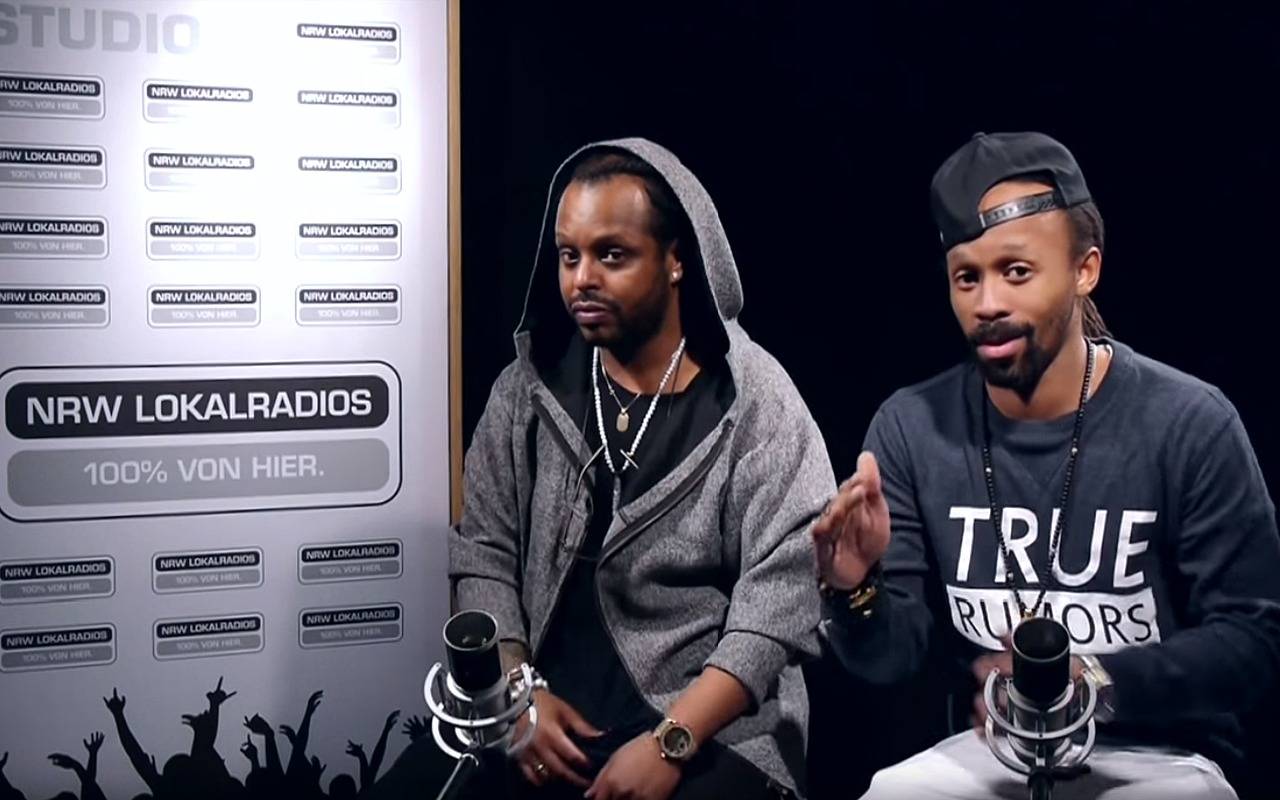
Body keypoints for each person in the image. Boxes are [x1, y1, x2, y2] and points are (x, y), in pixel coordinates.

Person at [813, 131, 1280, 799]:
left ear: (1085, 270)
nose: (988, 304)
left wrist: (1093, 680)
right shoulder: (912, 427)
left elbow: (1254, 640)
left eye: (1016, 272)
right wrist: (855, 589)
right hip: (993, 751)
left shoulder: (1189, 423)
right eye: (967, 278)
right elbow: (890, 657)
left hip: (1159, 755)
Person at [449, 138, 834, 799]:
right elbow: (484, 552)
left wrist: (672, 741)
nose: (581, 279)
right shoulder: (526, 391)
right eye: (568, 255)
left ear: (677, 259)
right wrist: (515, 695)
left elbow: (780, 604)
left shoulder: (756, 403)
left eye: (611, 255)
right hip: (545, 710)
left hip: (706, 723)